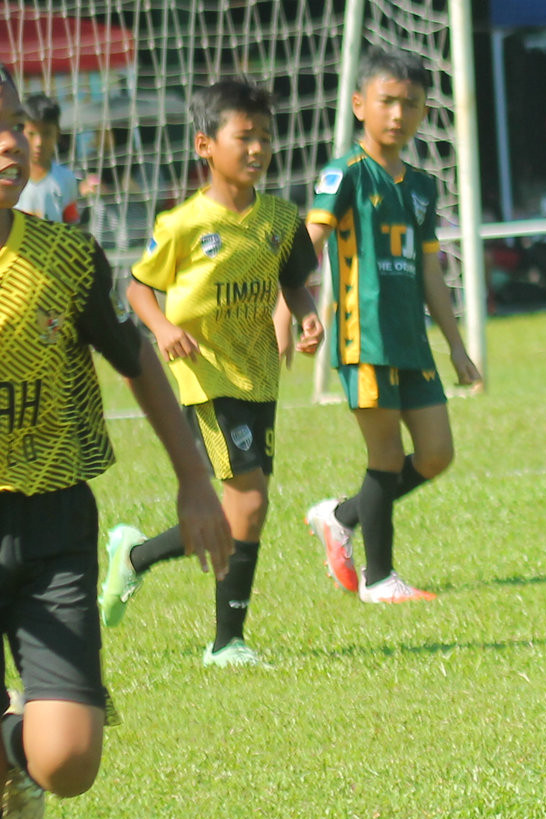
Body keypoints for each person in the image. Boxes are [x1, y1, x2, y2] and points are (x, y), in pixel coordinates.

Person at [0, 63, 233, 819]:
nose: (8, 142)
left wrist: (193, 481)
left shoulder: (63, 259)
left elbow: (138, 362)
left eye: (12, 123)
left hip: (54, 523)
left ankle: (12, 754)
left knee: (67, 760)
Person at [99, 80, 324, 666]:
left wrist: (305, 316)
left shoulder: (279, 218)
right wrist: (164, 327)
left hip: (259, 377)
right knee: (249, 503)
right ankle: (228, 643)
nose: (257, 149)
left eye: (266, 138)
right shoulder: (183, 224)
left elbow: (293, 279)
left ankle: (135, 556)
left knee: (239, 510)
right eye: (243, 137)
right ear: (205, 144)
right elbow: (138, 287)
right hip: (206, 376)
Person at [301, 48, 483, 606]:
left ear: (425, 111)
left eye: (411, 103)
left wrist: (456, 346)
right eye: (387, 101)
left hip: (412, 342)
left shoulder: (423, 187)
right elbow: (309, 244)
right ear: (359, 105)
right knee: (383, 458)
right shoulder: (345, 174)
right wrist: (294, 310)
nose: (398, 113)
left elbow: (429, 270)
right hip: (366, 340)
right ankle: (380, 581)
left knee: (435, 454)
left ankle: (341, 516)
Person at [16, 96, 79, 226]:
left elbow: (72, 226)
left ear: (57, 134)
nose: (39, 143)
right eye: (31, 134)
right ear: (20, 132)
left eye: (46, 134)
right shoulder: (8, 177)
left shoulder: (66, 178)